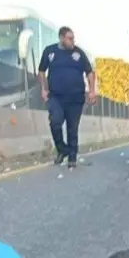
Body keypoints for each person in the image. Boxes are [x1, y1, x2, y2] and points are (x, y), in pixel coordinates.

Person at [38, 26, 97, 168]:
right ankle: (62, 149)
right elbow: (41, 71)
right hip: (56, 96)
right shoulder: (50, 51)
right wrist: (44, 88)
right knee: (55, 122)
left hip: (76, 98)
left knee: (72, 128)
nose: (72, 41)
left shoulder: (78, 53)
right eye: (69, 39)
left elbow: (89, 72)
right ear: (61, 38)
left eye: (73, 39)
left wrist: (91, 91)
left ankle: (72, 157)